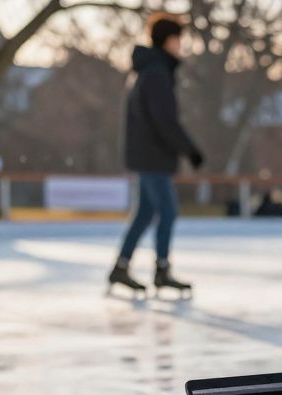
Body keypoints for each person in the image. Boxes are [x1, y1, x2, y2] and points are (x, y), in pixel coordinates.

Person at [108, 12, 204, 298]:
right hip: (152, 155)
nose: (181, 46)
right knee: (168, 211)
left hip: (147, 153)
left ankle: (121, 267)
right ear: (169, 39)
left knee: (146, 213)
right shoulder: (156, 73)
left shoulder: (149, 70)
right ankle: (162, 270)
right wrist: (190, 149)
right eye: (179, 39)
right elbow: (164, 120)